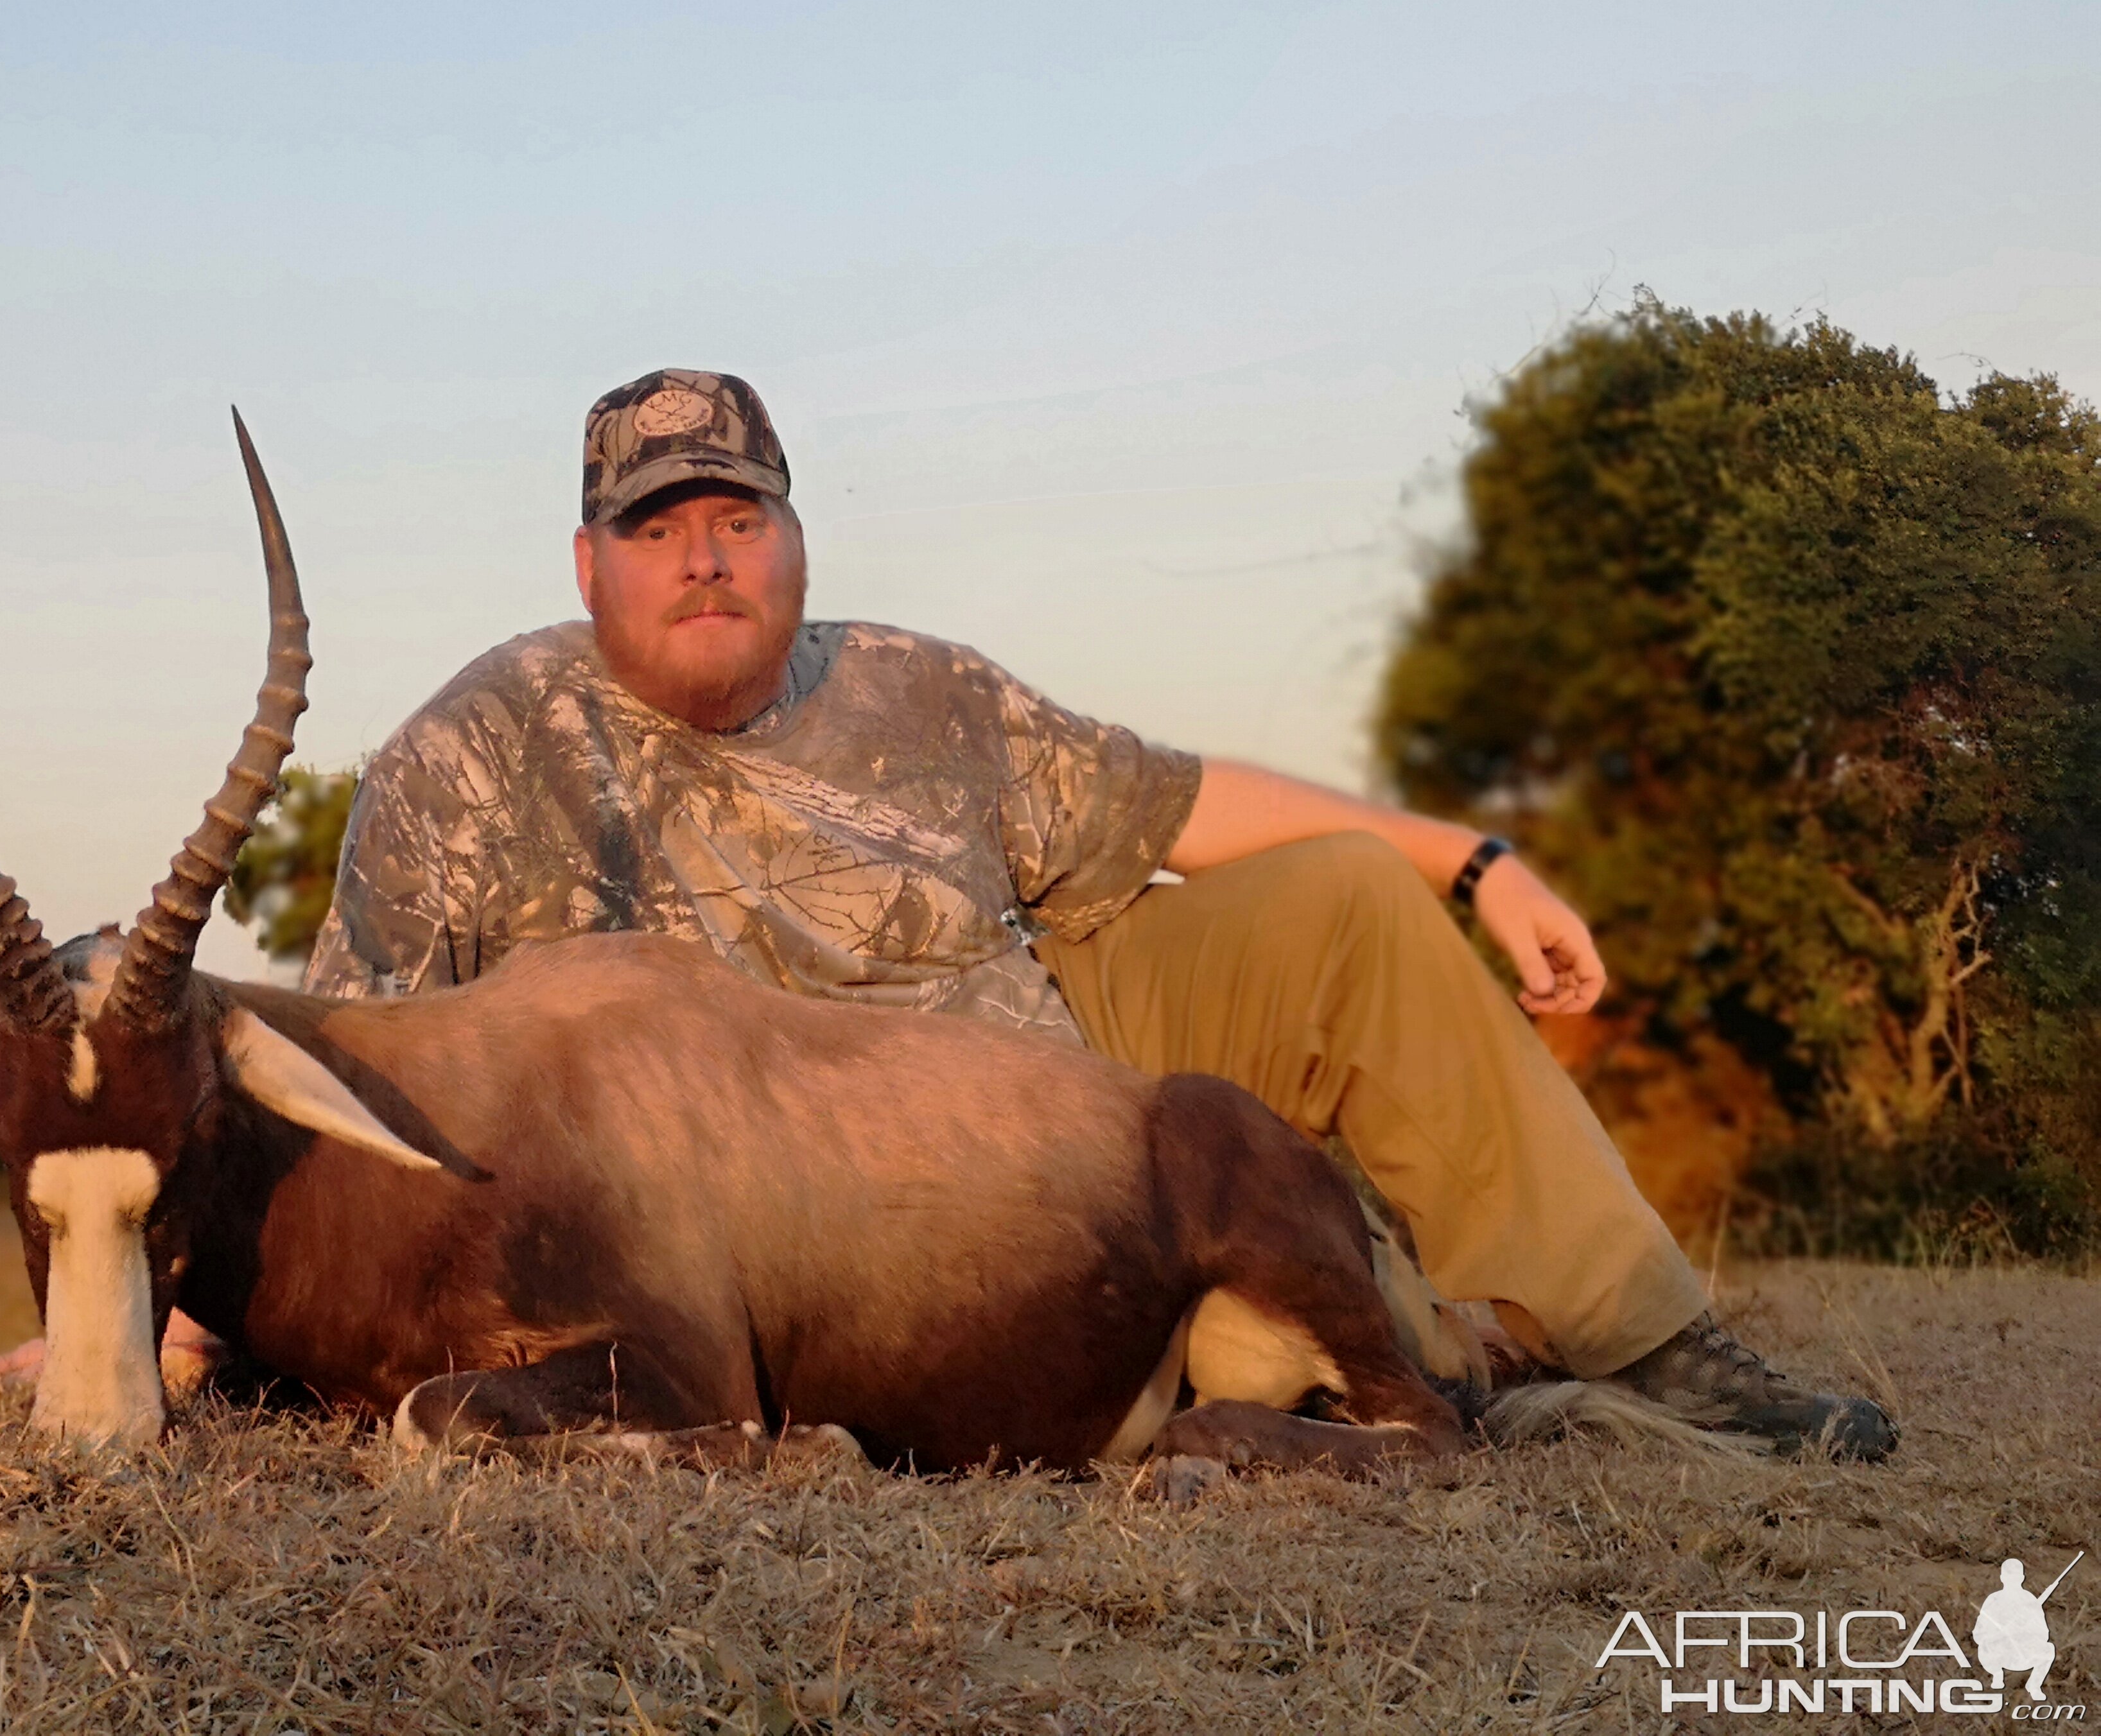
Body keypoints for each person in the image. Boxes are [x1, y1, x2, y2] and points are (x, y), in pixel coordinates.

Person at [305, 367, 1896, 1457]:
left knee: (1346, 898)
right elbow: (350, 1075)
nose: (702, 561)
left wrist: (1469, 861)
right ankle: (1436, 1358)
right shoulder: (471, 751)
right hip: (768, 1208)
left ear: (793, 542)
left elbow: (1180, 804)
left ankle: (1637, 1341)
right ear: (586, 564)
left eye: (737, 521)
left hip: (1055, 1079)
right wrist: (152, 1323)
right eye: (655, 530)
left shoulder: (915, 687)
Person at [1975, 1558, 2061, 1700]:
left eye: (2015, 1576)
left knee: (2048, 1649)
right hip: (1998, 1652)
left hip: (2021, 1653)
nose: (2012, 1580)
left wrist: (2025, 1629)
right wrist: (2001, 1632)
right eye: (2009, 1576)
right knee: (1986, 1647)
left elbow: (2043, 1634)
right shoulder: (1994, 1600)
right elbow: (1979, 1633)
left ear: (2022, 1578)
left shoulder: (2029, 1600)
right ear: (2002, 1578)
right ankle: (1997, 1675)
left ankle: (2034, 1686)